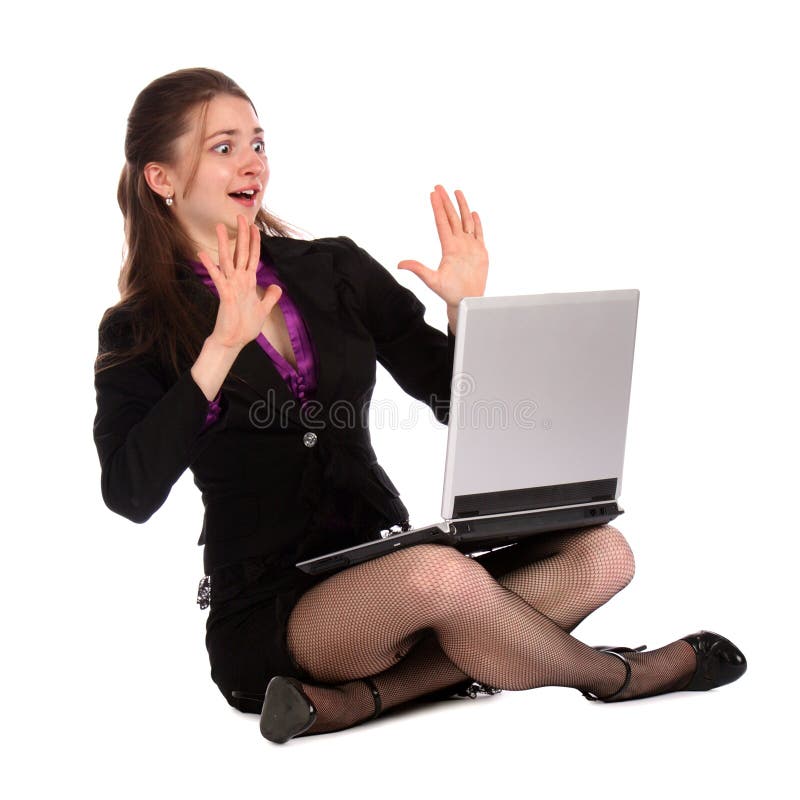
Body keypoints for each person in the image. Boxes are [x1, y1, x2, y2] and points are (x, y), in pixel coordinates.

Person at [93, 67, 747, 746]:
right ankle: (619, 675)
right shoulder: (140, 326)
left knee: (603, 555)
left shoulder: (333, 269)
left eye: (258, 142)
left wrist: (466, 314)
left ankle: (360, 700)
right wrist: (219, 350)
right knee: (439, 577)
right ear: (161, 178)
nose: (252, 162)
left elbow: (453, 400)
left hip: (387, 564)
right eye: (222, 146)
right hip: (275, 615)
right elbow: (130, 492)